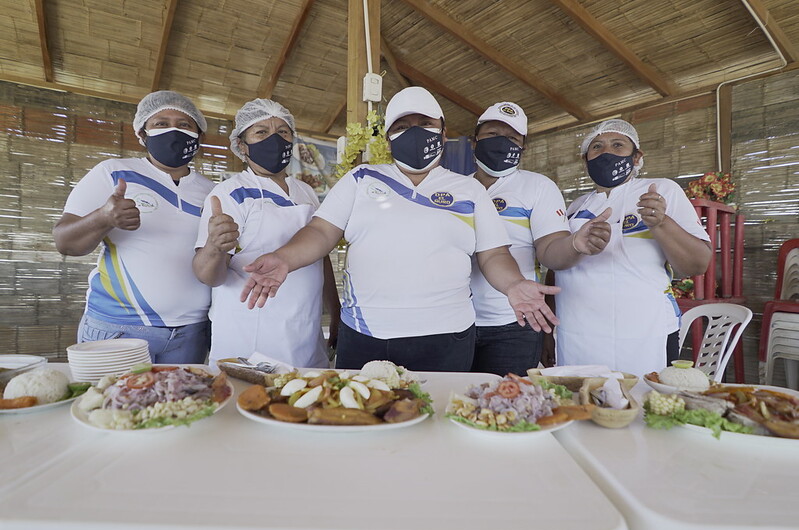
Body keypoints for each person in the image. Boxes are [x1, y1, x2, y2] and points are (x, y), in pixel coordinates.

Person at [238, 86, 561, 372]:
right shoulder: (361, 179)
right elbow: (322, 232)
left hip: (446, 335)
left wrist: (514, 285)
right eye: (402, 127)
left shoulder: (469, 189)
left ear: (443, 134)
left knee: (436, 416)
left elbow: (493, 255)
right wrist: (285, 258)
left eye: (425, 124)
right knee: (359, 415)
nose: (415, 133)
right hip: (365, 332)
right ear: (388, 137)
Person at [53, 91, 215, 364]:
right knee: (108, 395)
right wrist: (104, 218)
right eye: (161, 123)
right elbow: (64, 242)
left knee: (187, 395)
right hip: (119, 329)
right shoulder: (113, 172)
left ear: (199, 136)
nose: (174, 130)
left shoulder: (211, 191)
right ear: (142, 134)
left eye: (184, 124)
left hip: (190, 333)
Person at [551, 119, 711, 377]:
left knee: (644, 396)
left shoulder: (661, 191)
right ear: (585, 161)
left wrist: (661, 223)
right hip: (578, 332)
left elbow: (697, 264)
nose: (606, 152)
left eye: (618, 145)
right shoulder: (576, 207)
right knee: (580, 397)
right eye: (597, 147)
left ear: (636, 157)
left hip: (645, 332)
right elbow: (555, 267)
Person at [193, 98, 339, 369]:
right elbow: (208, 276)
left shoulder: (306, 192)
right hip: (250, 335)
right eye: (261, 132)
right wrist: (214, 247)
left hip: (305, 333)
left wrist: (336, 311)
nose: (275, 139)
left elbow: (320, 255)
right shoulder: (230, 193)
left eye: (283, 132)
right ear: (242, 145)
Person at [469, 102, 612, 376]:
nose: (501, 142)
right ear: (474, 142)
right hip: (456, 320)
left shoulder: (537, 186)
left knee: (507, 398)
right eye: (492, 134)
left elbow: (550, 248)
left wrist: (574, 245)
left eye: (512, 138)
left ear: (523, 147)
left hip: (515, 321)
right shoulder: (458, 187)